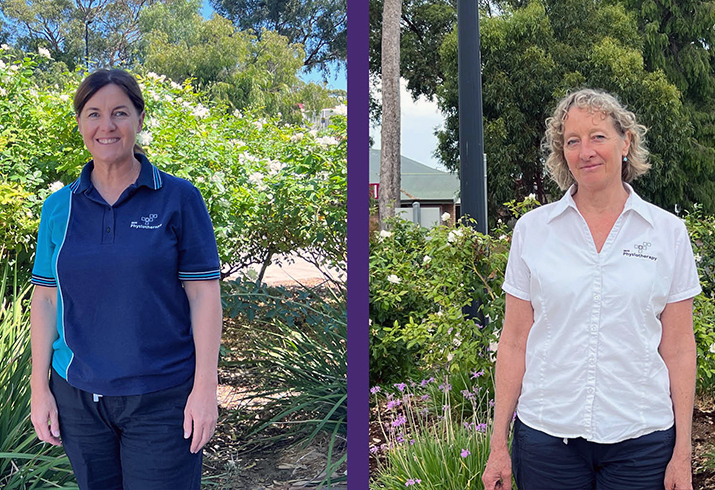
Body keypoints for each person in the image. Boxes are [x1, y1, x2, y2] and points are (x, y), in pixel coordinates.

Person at [482, 88, 701, 490]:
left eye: (598, 136)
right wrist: (498, 444)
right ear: (561, 153)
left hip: (642, 440)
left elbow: (680, 346)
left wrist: (682, 453)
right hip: (548, 437)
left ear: (625, 141)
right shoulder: (533, 231)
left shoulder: (667, 233)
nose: (586, 151)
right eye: (572, 141)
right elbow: (514, 340)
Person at [29, 69, 223, 490]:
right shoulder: (58, 208)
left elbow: (204, 294)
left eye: (120, 112)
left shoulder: (178, 198)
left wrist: (205, 389)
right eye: (93, 113)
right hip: (78, 399)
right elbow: (45, 300)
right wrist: (39, 389)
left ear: (139, 118)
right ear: (80, 122)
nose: (107, 125)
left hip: (163, 398)